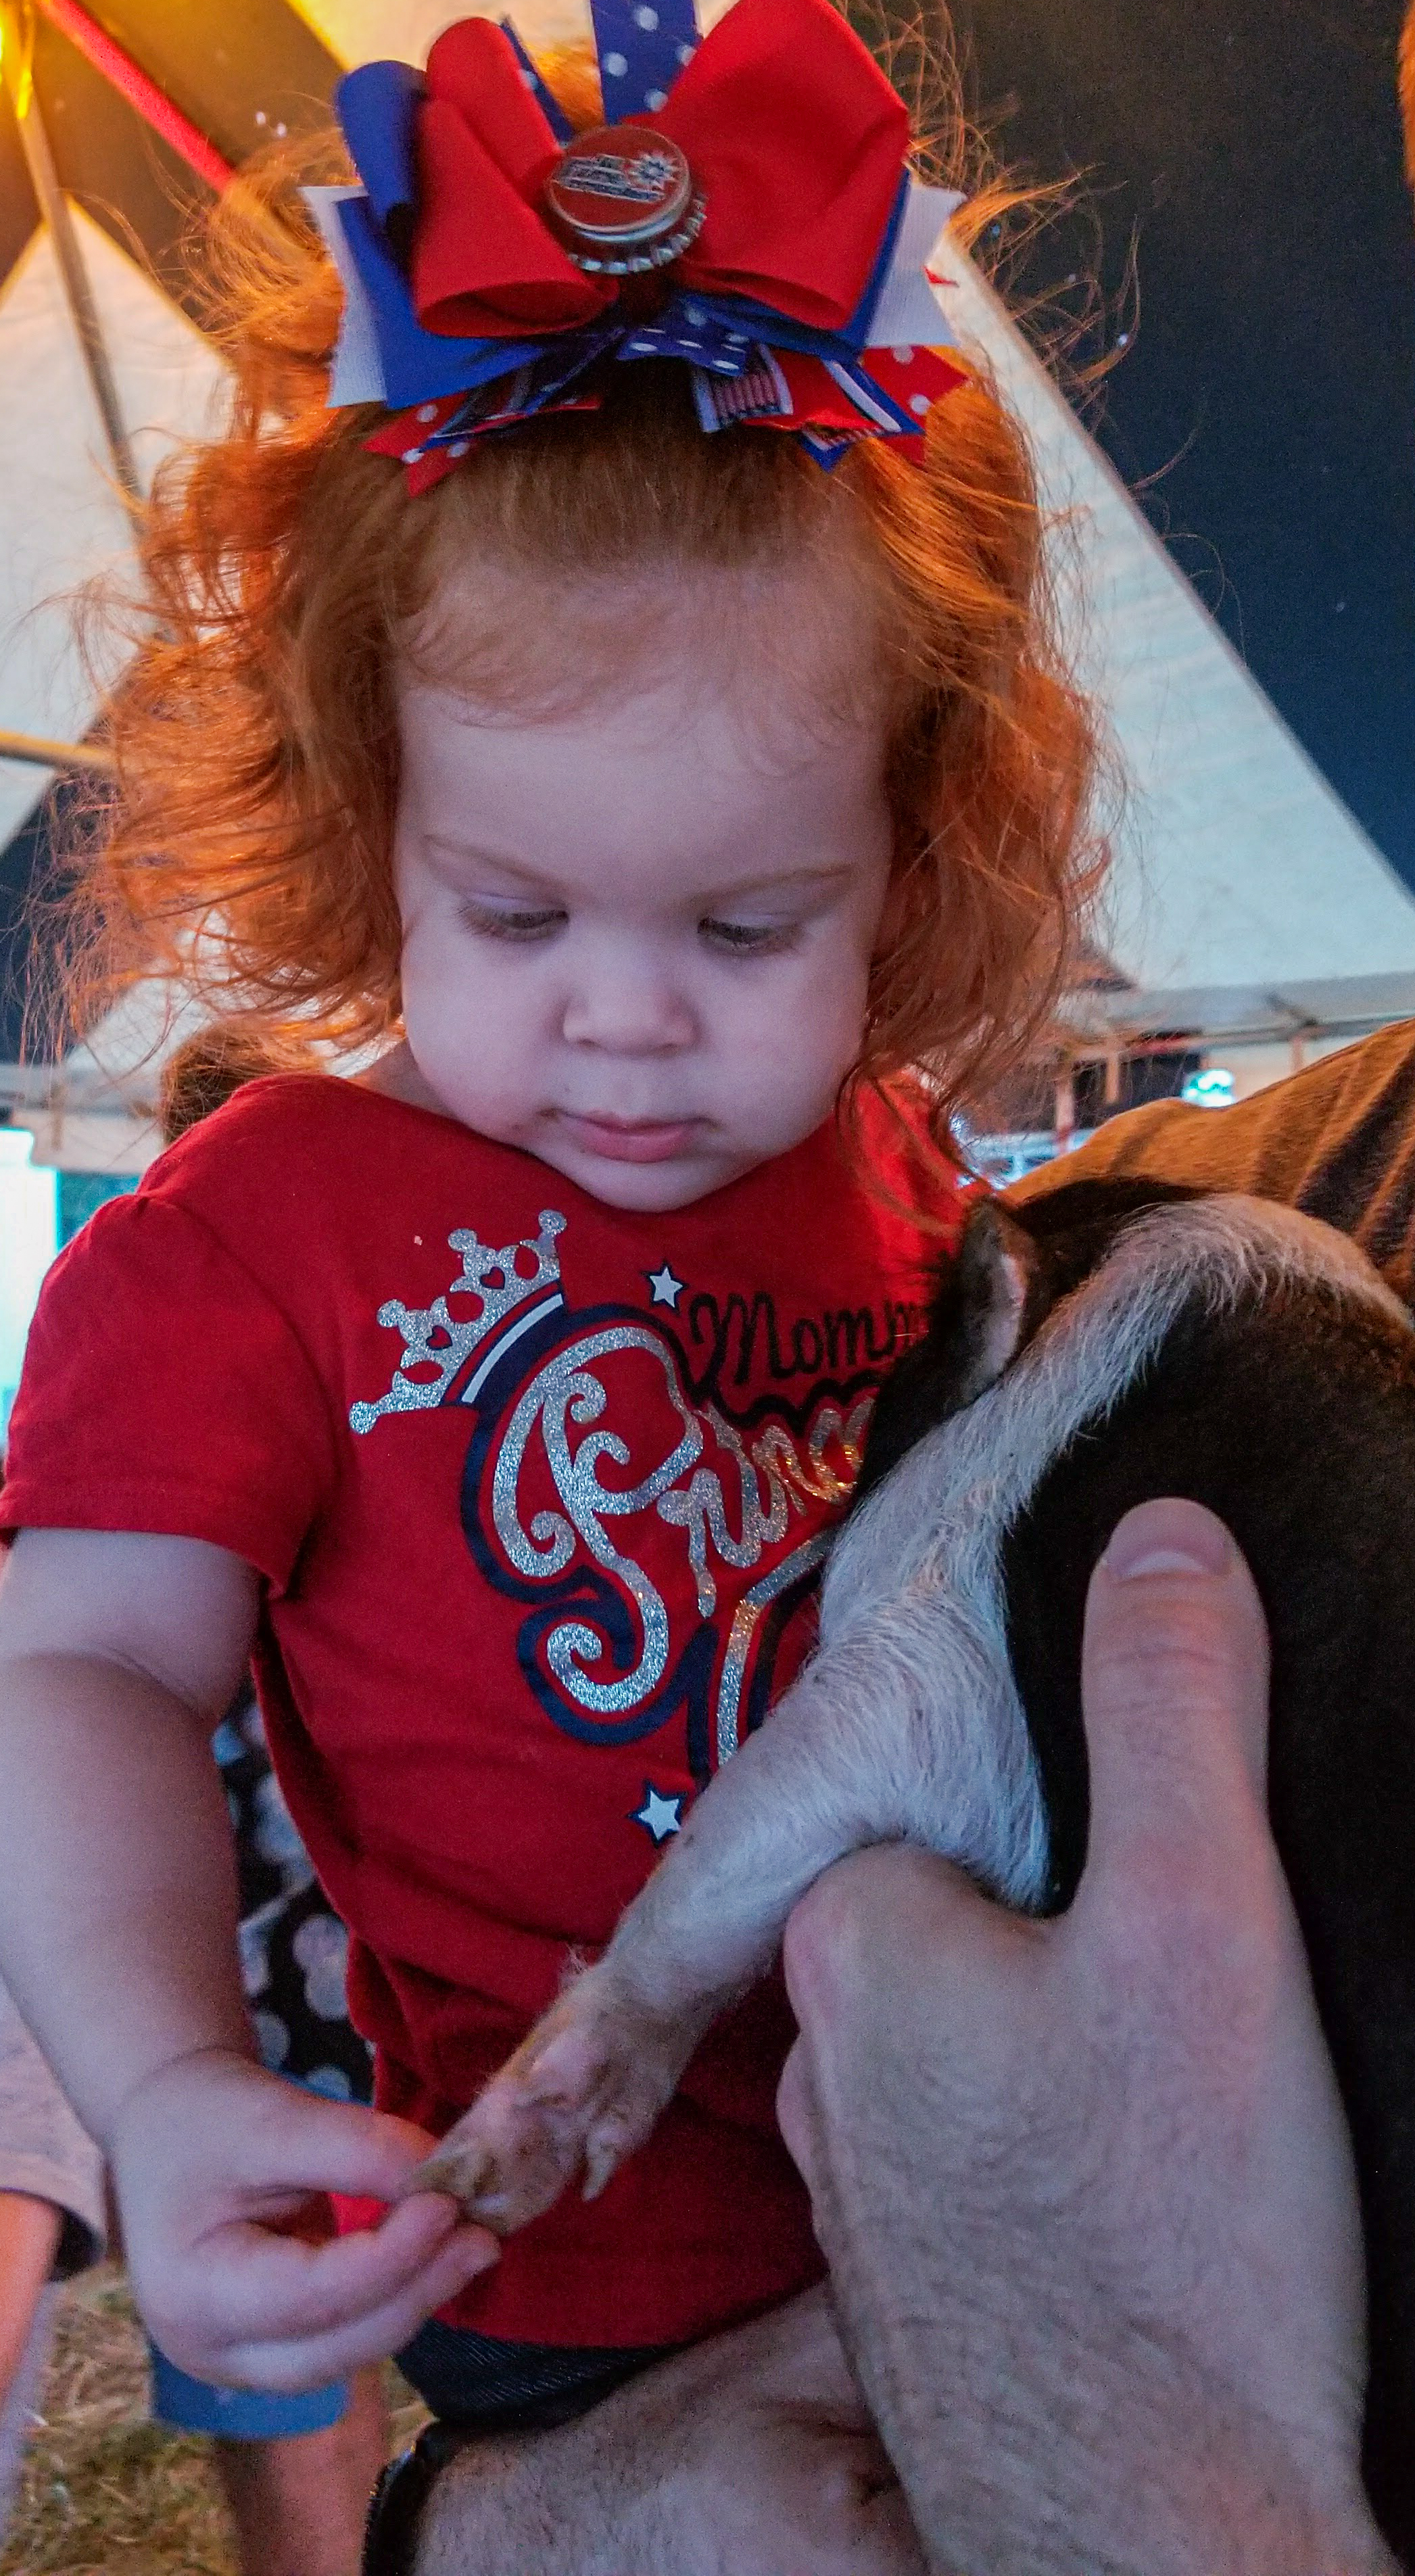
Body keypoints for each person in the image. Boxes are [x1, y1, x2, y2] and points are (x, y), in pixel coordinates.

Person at [0, 1, 1100, 2565]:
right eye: (514, 913)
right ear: (372, 826)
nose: (624, 1010)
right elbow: (77, 1667)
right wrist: (156, 2080)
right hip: (568, 2262)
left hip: (973, 2176)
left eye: (746, 918)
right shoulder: (258, 1235)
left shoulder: (916, 1191)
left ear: (915, 860)